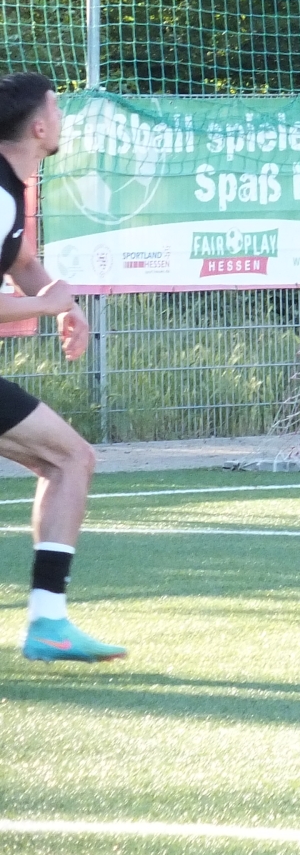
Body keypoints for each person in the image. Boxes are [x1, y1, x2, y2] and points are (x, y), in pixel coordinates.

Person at [0, 73, 124, 661]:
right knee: (71, 458)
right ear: (38, 127)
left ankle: (49, 624)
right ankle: (48, 623)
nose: (62, 117)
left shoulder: (11, 188)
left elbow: (21, 260)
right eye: (57, 107)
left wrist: (60, 301)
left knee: (67, 459)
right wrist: (49, 305)